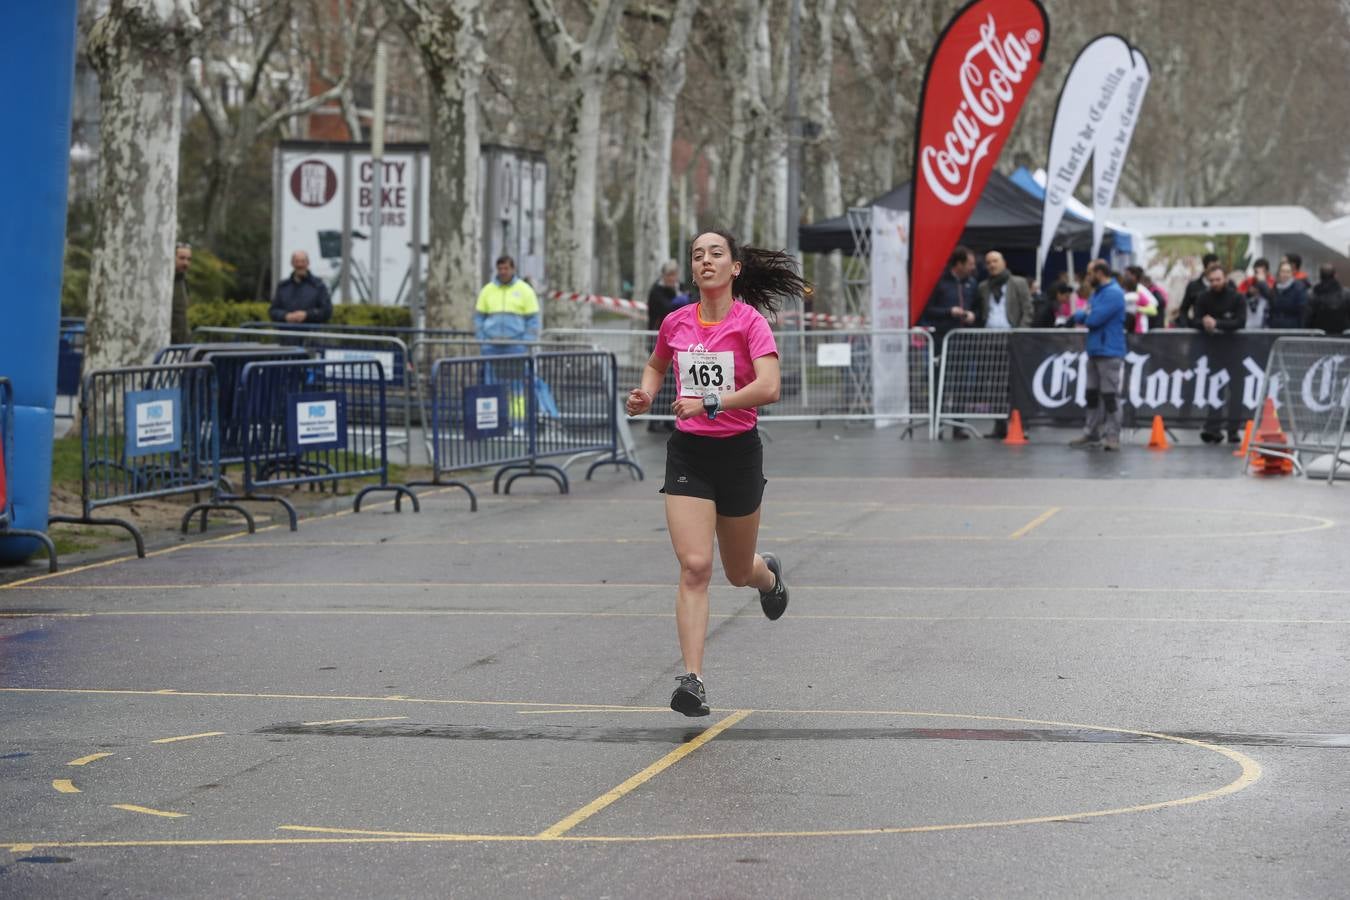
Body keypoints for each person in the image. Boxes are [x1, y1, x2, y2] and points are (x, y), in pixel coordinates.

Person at [624, 229, 806, 717]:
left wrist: (710, 400)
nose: (705, 261)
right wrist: (645, 393)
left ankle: (768, 578)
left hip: (739, 455)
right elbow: (657, 365)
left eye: (715, 254)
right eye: (697, 255)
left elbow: (769, 388)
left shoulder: (750, 324)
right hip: (690, 455)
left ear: (734, 268)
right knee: (695, 566)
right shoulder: (676, 322)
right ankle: (692, 680)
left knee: (736, 570)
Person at [918, 246, 979, 438]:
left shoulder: (972, 283)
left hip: (963, 339)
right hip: (941, 338)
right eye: (969, 264)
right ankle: (938, 423)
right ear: (958, 264)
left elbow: (978, 308)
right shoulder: (939, 283)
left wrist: (972, 316)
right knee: (940, 381)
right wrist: (948, 312)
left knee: (962, 382)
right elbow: (927, 310)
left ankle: (958, 425)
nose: (973, 268)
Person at [1067, 261, 1126, 452]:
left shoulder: (1113, 293)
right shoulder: (1098, 293)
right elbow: (1084, 314)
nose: (1087, 277)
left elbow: (1093, 319)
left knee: (1109, 396)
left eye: (1090, 273)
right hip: (1095, 349)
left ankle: (1112, 436)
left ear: (1099, 273)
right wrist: (1084, 314)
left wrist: (1084, 315)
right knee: (1091, 393)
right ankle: (1091, 431)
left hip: (1109, 351)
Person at [975, 250, 1032, 437]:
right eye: (989, 262)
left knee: (1015, 384)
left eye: (995, 261)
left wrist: (1020, 332)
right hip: (991, 340)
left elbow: (1028, 309)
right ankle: (999, 425)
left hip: (1012, 338)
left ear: (1004, 262)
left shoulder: (1018, 283)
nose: (992, 265)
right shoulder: (983, 287)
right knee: (995, 384)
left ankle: (1018, 424)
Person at [1192, 262, 1245, 443]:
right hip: (1213, 351)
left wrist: (1218, 324)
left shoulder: (1237, 297)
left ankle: (1233, 430)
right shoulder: (1203, 297)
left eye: (1218, 279)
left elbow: (1240, 322)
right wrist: (1204, 323)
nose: (1215, 283)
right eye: (1212, 280)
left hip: (1235, 350)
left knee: (1236, 391)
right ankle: (1213, 427)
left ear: (1225, 279)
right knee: (1215, 389)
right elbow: (1195, 319)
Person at [474, 255, 540, 356]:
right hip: (491, 346)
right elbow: (479, 318)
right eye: (500, 269)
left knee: (517, 372)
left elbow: (533, 320)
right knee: (489, 372)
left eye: (506, 268)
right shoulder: (487, 290)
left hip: (517, 346)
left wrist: (526, 342)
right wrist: (482, 340)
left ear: (513, 269)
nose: (503, 272)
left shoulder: (525, 290)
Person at [645, 261, 682, 432]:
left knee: (672, 382)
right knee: (660, 380)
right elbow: (666, 309)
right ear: (664, 276)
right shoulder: (656, 291)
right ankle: (654, 419)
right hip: (657, 339)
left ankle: (668, 417)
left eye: (675, 275)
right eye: (671, 275)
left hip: (675, 340)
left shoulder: (678, 288)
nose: (673, 278)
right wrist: (680, 301)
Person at [270, 250, 333, 325]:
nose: (300, 265)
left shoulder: (318, 286)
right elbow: (273, 311)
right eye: (297, 261)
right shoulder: (283, 286)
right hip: (287, 334)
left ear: (308, 263)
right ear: (292, 263)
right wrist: (285, 316)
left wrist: (307, 315)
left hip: (311, 335)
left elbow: (327, 311)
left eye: (303, 261)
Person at [1177, 252, 1220, 329]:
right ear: (1205, 268)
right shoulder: (1193, 286)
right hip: (1199, 330)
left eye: (1217, 268)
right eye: (1212, 268)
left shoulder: (1228, 285)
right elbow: (1183, 309)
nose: (1215, 271)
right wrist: (1185, 327)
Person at [1306, 264, 1349, 334]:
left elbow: (1308, 319)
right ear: (1335, 275)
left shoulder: (1312, 294)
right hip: (1342, 338)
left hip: (1319, 338)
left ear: (1320, 276)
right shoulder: (1346, 294)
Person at [1269, 260, 1308, 329]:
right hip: (1275, 327)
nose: (1285, 274)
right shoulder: (1275, 287)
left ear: (1292, 273)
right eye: (1283, 271)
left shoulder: (1298, 288)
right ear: (1279, 273)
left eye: (1288, 272)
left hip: (1292, 328)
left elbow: (1302, 312)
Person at [1241, 259, 1274, 329]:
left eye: (1262, 272)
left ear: (1267, 272)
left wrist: (1262, 283)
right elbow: (1238, 296)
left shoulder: (1273, 282)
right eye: (1256, 272)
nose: (1258, 275)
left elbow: (1272, 298)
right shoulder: (1248, 281)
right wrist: (1249, 293)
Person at [172, 242, 192, 344]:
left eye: (188, 259)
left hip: (183, 344)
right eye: (182, 258)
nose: (186, 263)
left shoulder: (184, 281)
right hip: (168, 344)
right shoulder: (165, 284)